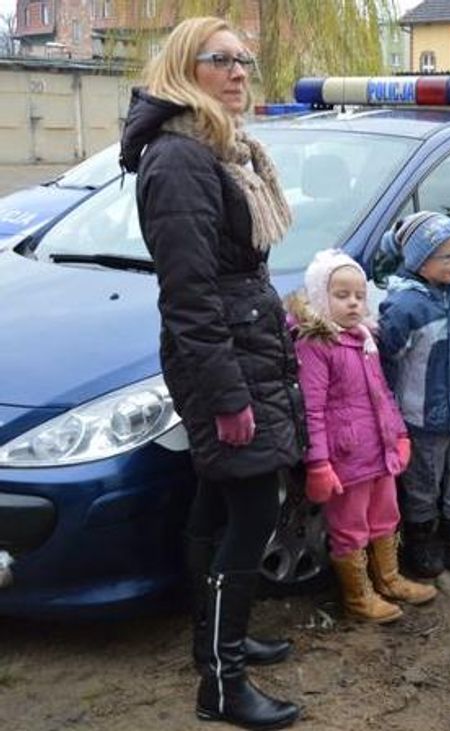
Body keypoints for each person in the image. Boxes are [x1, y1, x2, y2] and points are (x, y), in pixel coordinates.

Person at [120, 17, 301, 728]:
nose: (237, 73)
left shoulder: (217, 150)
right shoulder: (180, 161)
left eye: (244, 62)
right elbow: (189, 293)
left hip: (242, 342)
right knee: (253, 508)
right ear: (183, 67)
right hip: (224, 354)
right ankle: (221, 685)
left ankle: (217, 641)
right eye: (220, 60)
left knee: (219, 501)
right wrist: (227, 394)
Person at [288, 251, 437, 622]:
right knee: (350, 527)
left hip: (379, 451)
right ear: (322, 297)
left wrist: (399, 434)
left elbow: (383, 394)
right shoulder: (316, 346)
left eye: (359, 295)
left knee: (386, 515)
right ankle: (358, 598)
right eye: (342, 295)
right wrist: (319, 464)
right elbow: (313, 410)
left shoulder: (364, 339)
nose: (353, 302)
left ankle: (388, 578)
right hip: (346, 458)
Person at [376, 212, 450, 580]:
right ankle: (421, 543)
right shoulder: (404, 309)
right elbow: (387, 365)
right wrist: (391, 414)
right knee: (422, 485)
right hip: (421, 419)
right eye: (449, 257)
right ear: (419, 259)